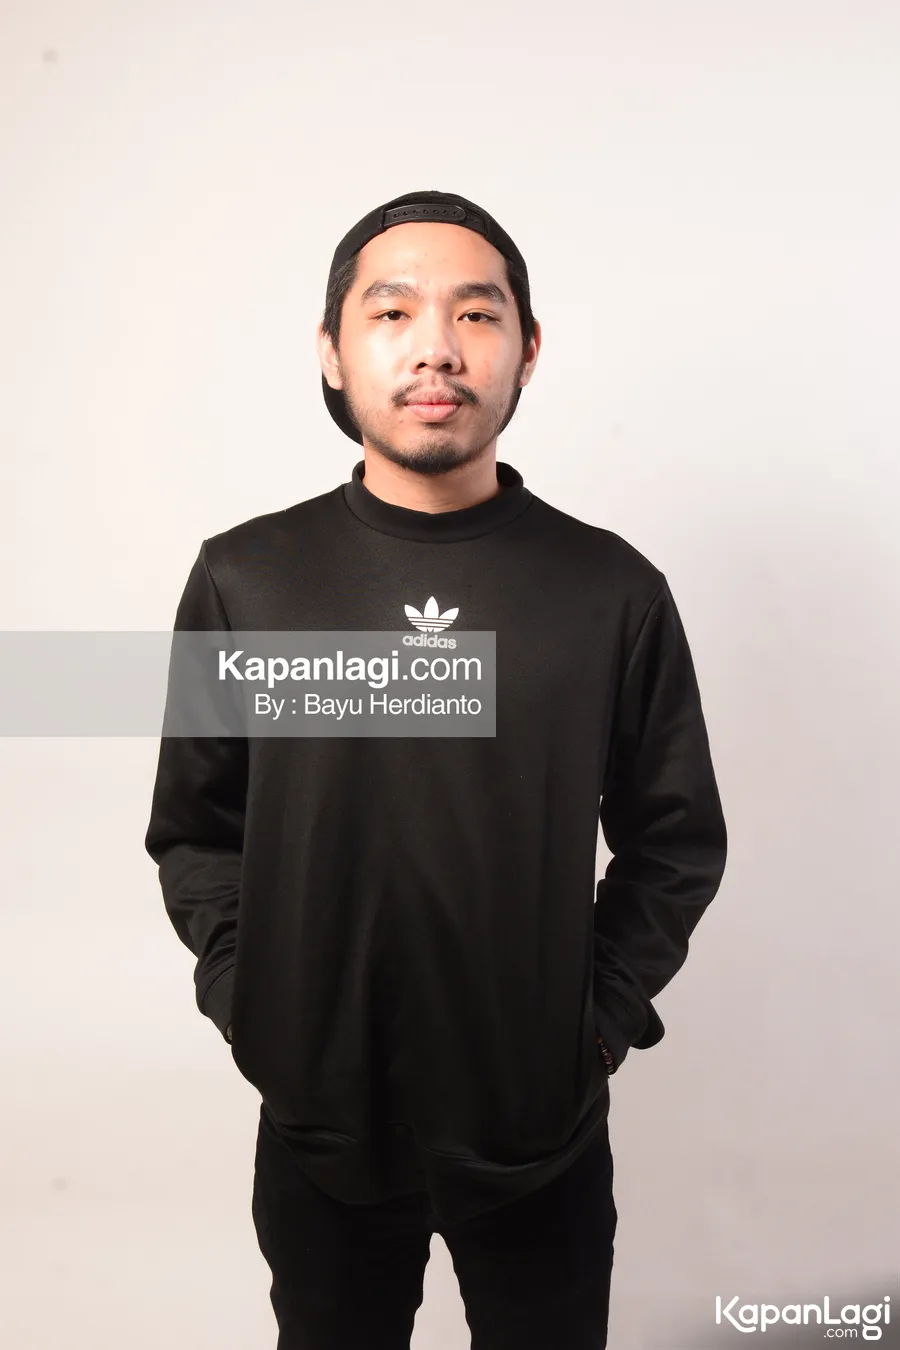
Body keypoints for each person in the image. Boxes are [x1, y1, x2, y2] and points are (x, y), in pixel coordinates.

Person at [145, 189, 728, 1349]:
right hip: (320, 1129)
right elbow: (197, 829)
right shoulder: (245, 581)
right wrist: (253, 1004)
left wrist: (595, 1024)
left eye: (476, 312)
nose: (436, 348)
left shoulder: (610, 592)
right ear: (332, 349)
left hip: (540, 1131)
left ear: (527, 350)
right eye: (392, 311)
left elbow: (675, 842)